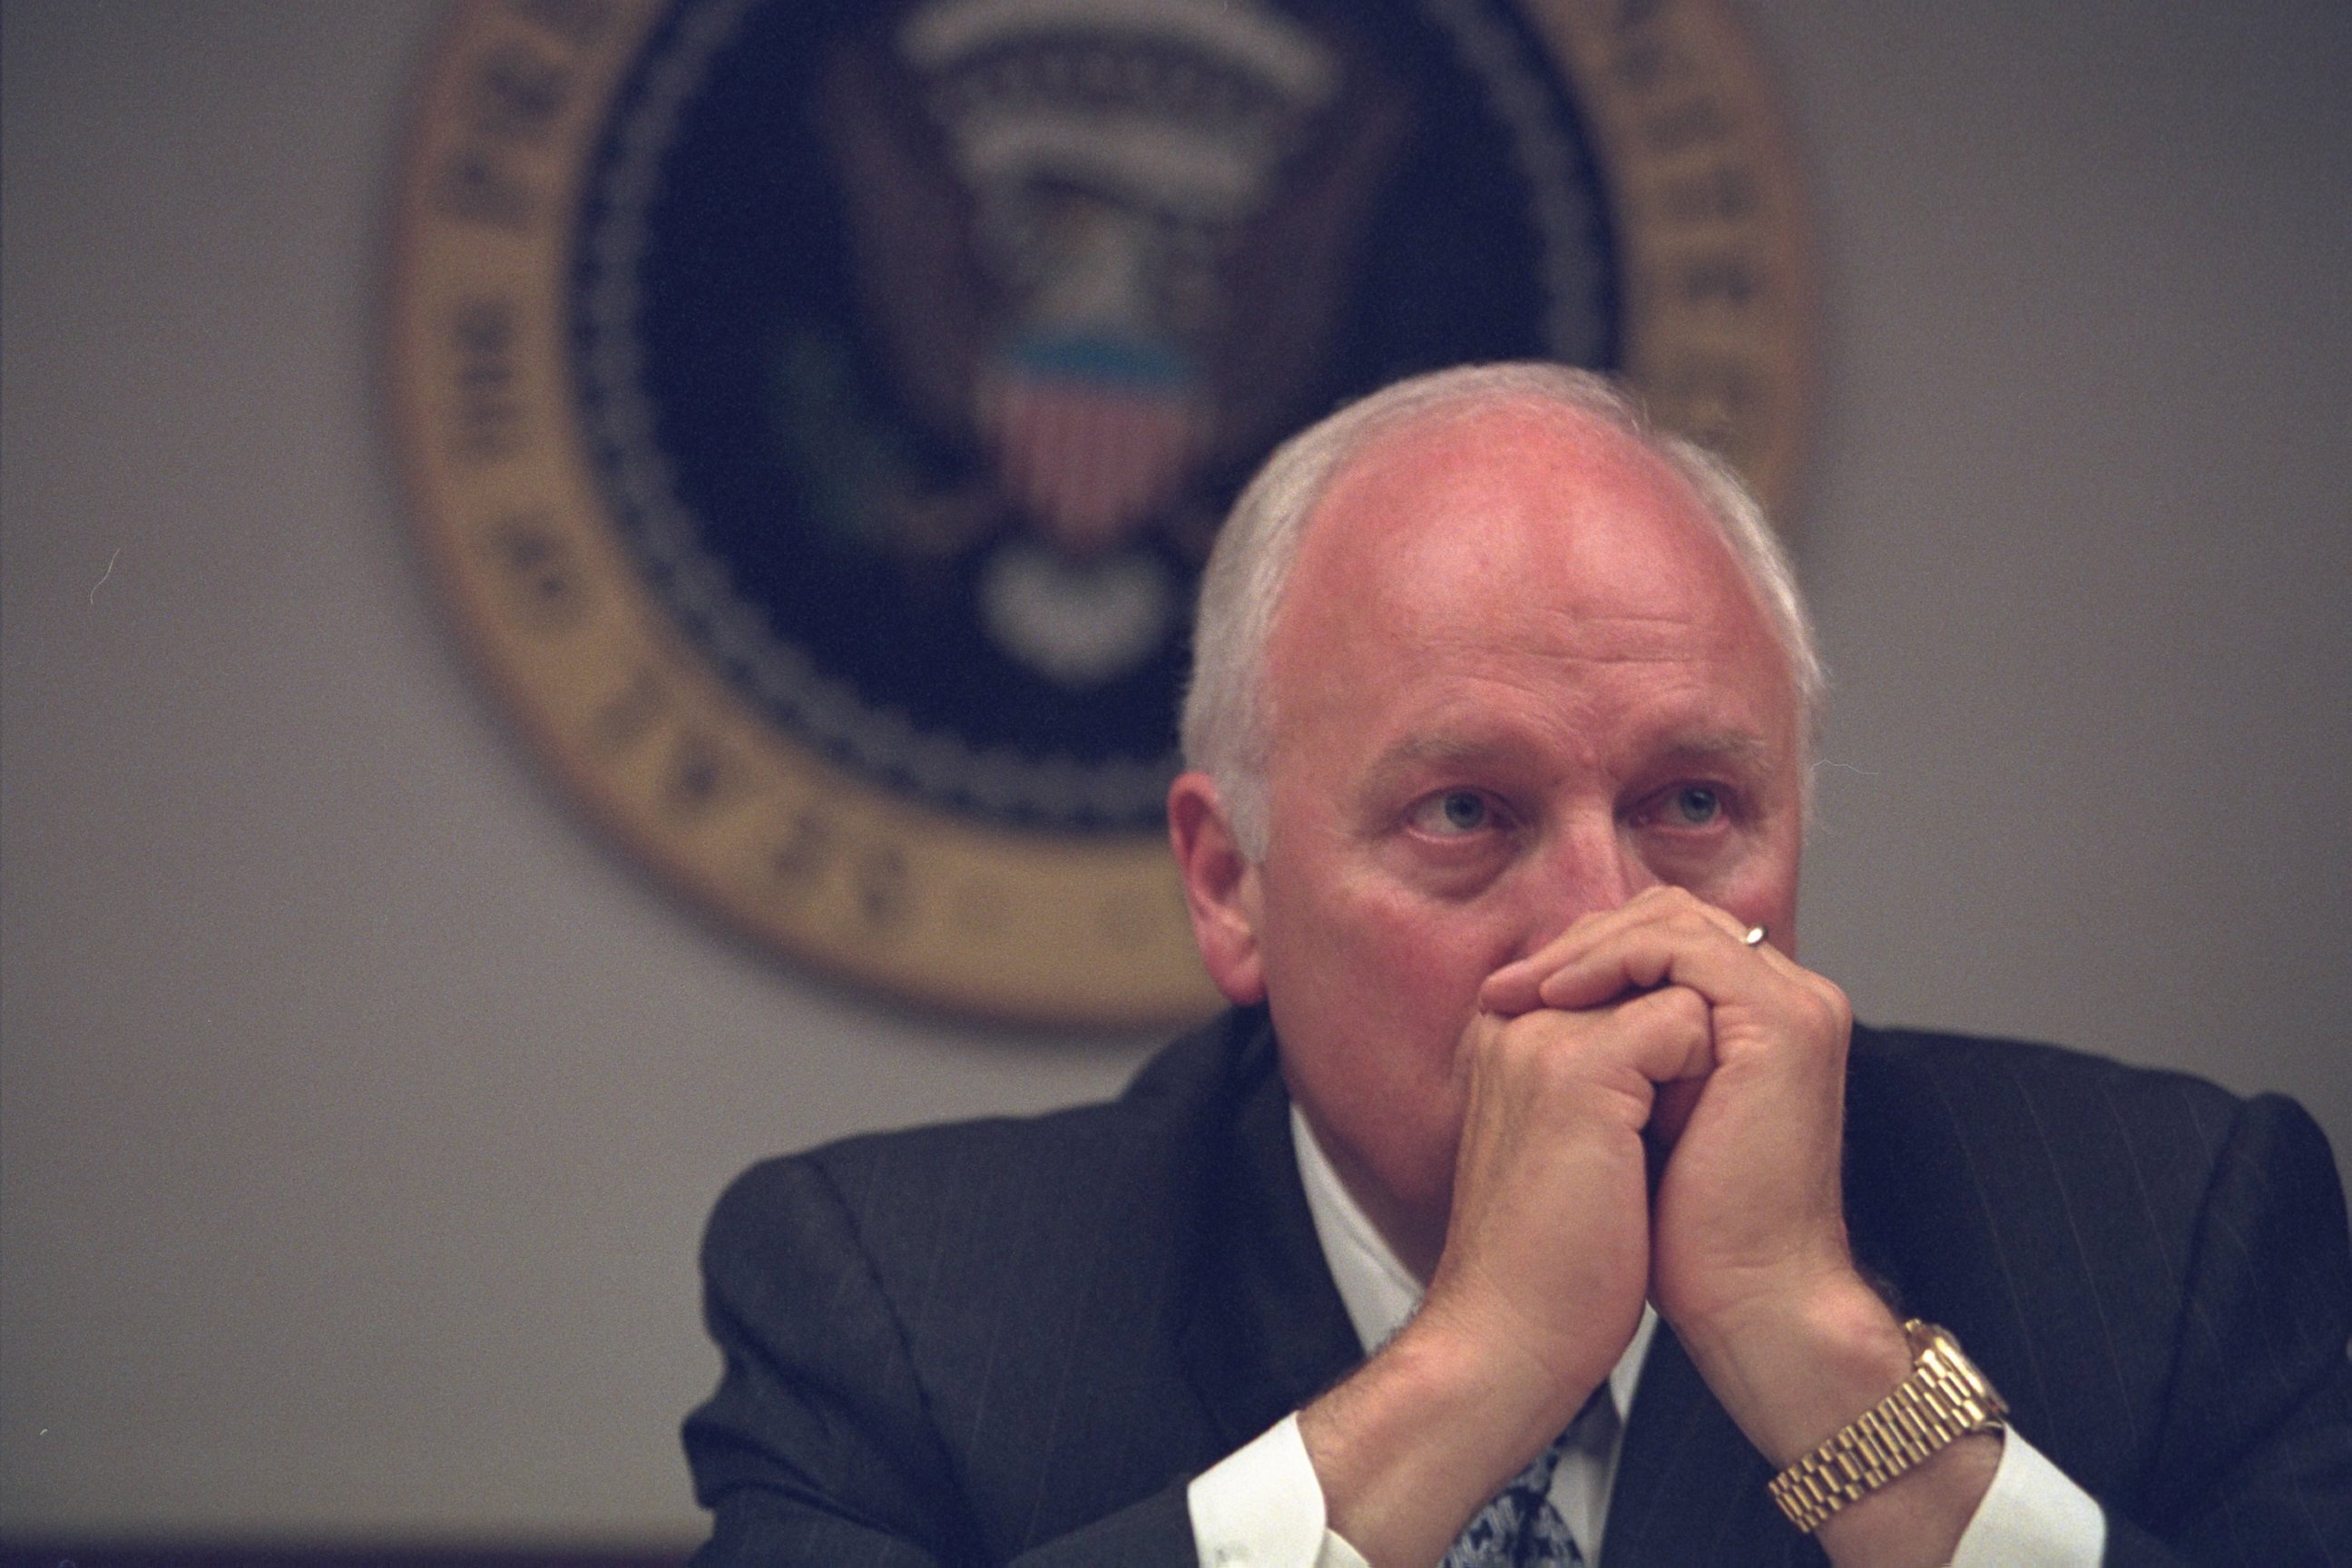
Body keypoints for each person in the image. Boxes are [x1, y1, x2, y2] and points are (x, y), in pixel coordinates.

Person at [683, 364, 2352, 1565]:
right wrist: (1466, 1378)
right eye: (1466, 811)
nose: (1604, 925)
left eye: (1693, 805)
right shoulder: (897, 1304)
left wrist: (1823, 1364)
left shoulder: (2172, 1238)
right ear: (1229, 885)